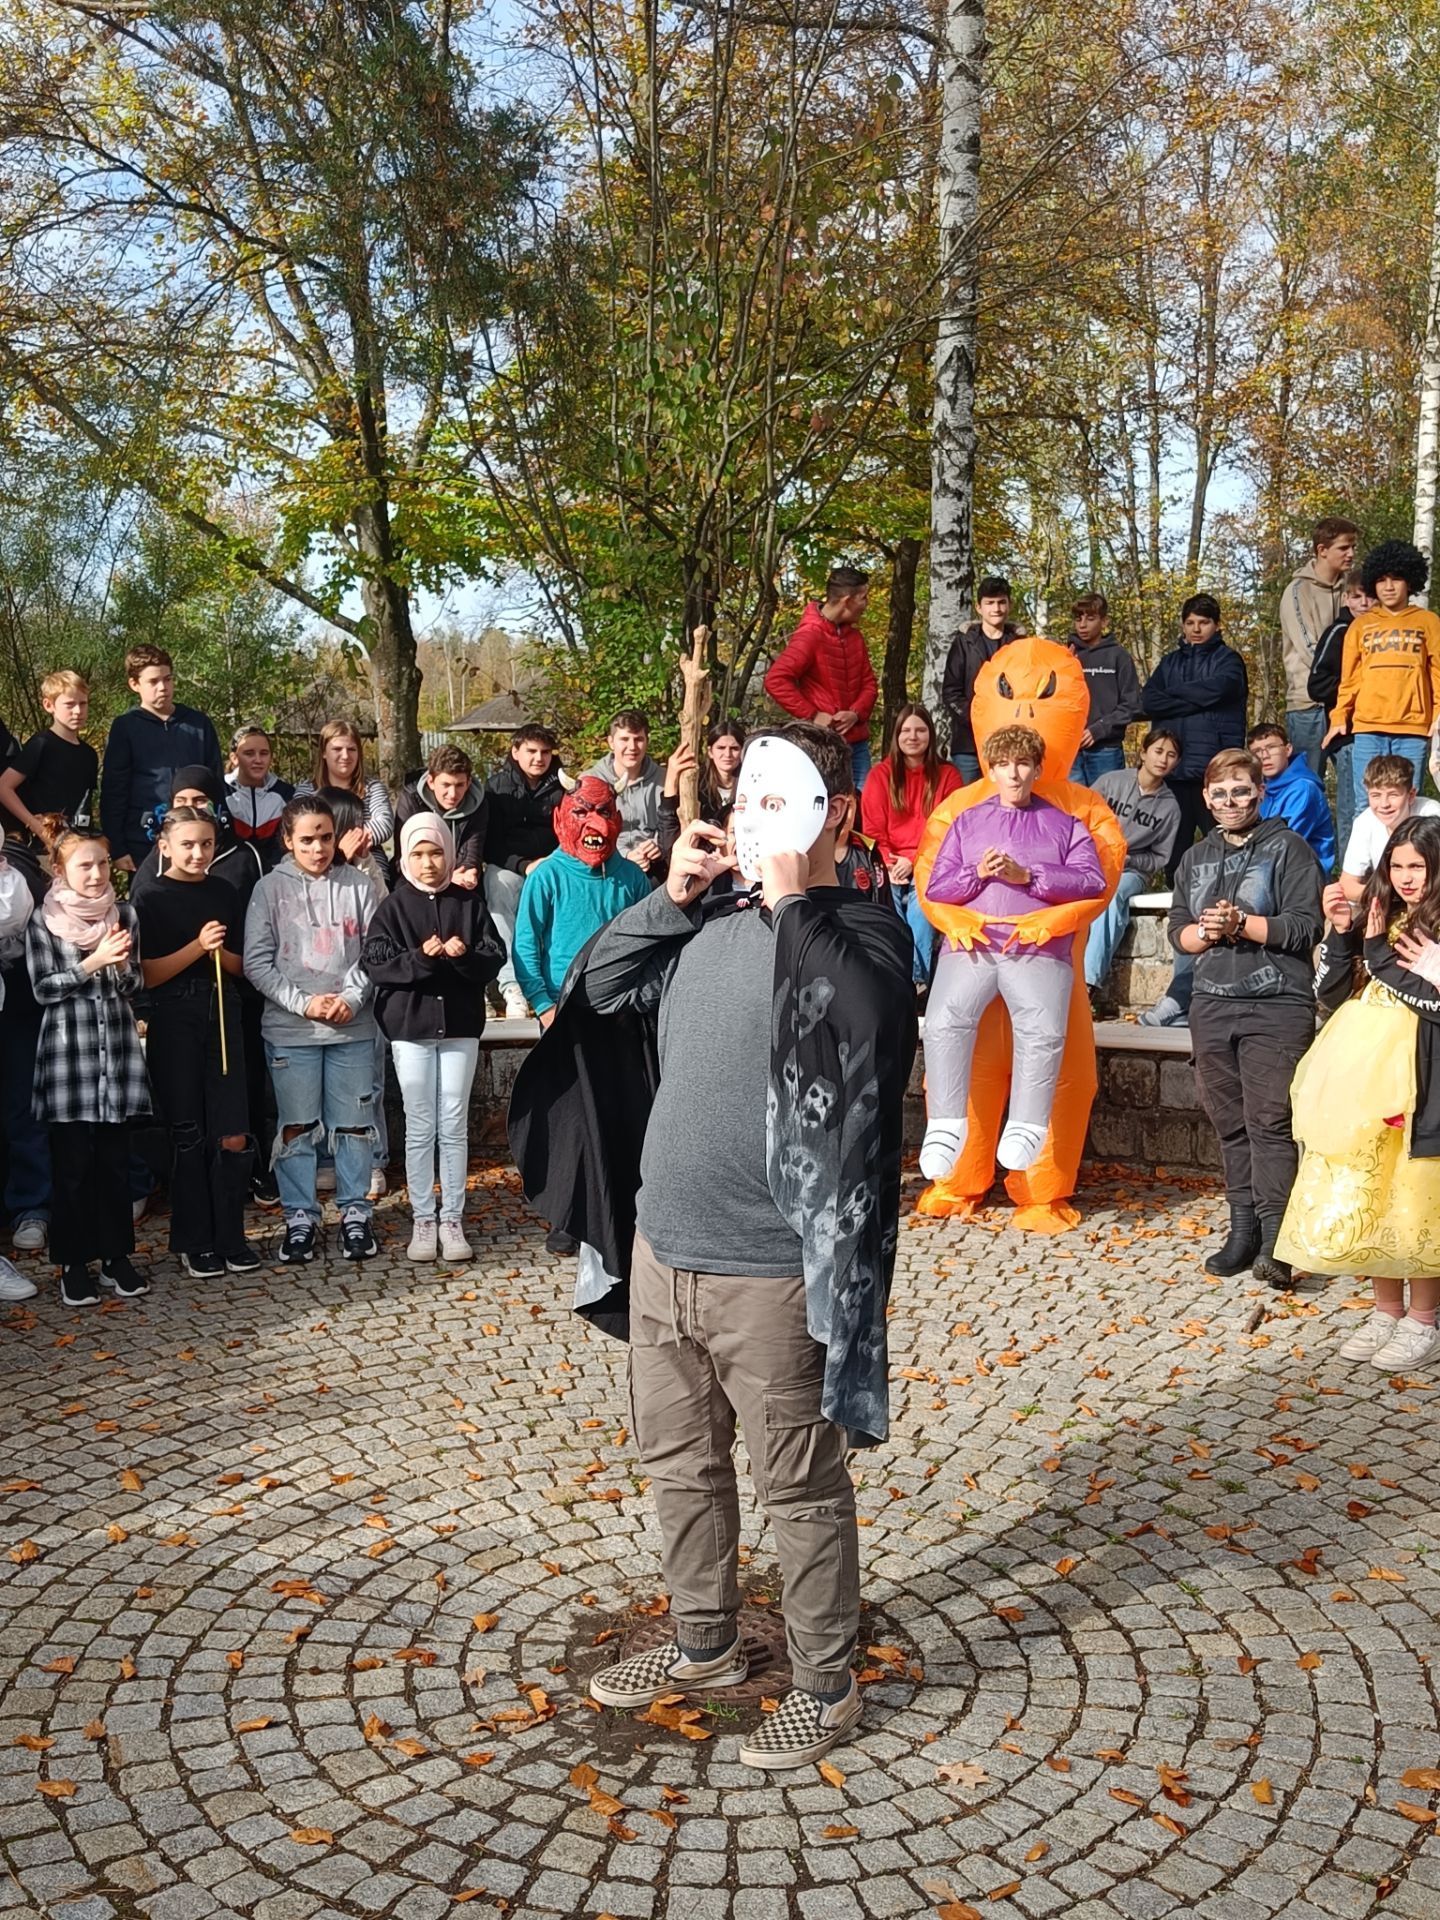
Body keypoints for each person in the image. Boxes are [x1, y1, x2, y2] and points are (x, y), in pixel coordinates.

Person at [517, 720, 915, 1771]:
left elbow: (870, 1022)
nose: (750, 825)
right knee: (682, 1467)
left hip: (773, 1274)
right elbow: (597, 989)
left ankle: (826, 1684)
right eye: (743, 808)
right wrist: (673, 894)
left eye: (774, 805)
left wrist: (793, 899)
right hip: (665, 1251)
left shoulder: (862, 929)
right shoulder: (701, 925)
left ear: (830, 817)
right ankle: (705, 1645)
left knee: (800, 1489)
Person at [1278, 823, 1440, 1370]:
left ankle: (1423, 1319)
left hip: (1419, 1072)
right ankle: (1386, 1310)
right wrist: (1344, 935)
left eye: (1418, 866)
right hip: (1361, 1071)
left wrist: (1380, 956)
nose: (1406, 878)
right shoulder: (1380, 915)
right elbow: (1329, 993)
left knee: (1414, 1195)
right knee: (1369, 1187)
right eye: (1397, 866)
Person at [919, 723, 1106, 1181]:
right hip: (974, 944)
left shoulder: (1066, 824)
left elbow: (1092, 881)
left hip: (1037, 946)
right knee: (943, 1022)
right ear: (991, 771)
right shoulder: (966, 821)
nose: (1014, 774)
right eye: (1004, 765)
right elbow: (937, 887)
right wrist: (977, 874)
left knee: (1042, 1031)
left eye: (1022, 764)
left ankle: (1027, 1123)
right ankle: (945, 1124)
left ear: (1037, 769)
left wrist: (1030, 876)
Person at [1168, 748, 1323, 1287]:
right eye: (1220, 792)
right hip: (1211, 1002)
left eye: (1240, 790)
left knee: (1269, 1123)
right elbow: (1179, 932)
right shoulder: (1195, 858)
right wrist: (1207, 931)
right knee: (1229, 1124)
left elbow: (1305, 927)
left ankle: (1279, 1239)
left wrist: (1242, 924)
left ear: (1259, 792)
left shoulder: (1290, 849)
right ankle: (1243, 1230)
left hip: (1276, 1003)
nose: (1230, 801)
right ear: (1207, 797)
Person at [243, 796, 380, 1264]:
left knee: (354, 1125)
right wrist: (303, 1002)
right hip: (291, 1031)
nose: (318, 848)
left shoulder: (359, 885)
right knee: (296, 1127)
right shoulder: (268, 889)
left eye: (325, 837)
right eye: (306, 840)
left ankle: (355, 1211)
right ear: (288, 840)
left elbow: (376, 952)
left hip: (351, 1028)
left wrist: (351, 999)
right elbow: (257, 962)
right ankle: (300, 1216)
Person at [361, 815, 504, 1264]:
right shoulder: (393, 907)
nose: (428, 863)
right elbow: (377, 965)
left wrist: (464, 957)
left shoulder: (469, 902)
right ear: (405, 857)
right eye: (419, 854)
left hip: (459, 1026)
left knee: (454, 1123)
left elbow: (493, 956)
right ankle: (424, 1217)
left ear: (449, 853)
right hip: (411, 1028)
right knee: (420, 1124)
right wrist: (421, 959)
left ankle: (452, 1218)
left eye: (436, 852)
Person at [26, 828, 151, 1306]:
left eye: (101, 864)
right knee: (73, 1167)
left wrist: (119, 967)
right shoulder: (44, 920)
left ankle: (116, 1257)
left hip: (115, 1054)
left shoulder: (126, 915)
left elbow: (135, 984)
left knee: (114, 1165)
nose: (96, 874)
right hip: (69, 1058)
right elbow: (43, 988)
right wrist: (92, 961)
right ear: (61, 871)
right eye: (84, 865)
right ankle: (73, 1264)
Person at [133, 806, 259, 1280]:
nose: (198, 853)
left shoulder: (223, 891)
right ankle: (194, 1240)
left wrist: (218, 953)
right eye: (187, 844)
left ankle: (230, 1235)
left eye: (206, 844)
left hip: (222, 1010)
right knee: (187, 1132)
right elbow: (147, 974)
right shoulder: (149, 895)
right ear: (165, 846)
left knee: (231, 1131)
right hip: (173, 1016)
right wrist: (197, 947)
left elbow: (240, 965)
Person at [512, 776, 651, 1026]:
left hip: (621, 1007)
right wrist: (543, 1004)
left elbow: (650, 940)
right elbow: (526, 941)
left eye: (605, 813)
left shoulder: (633, 877)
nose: (598, 825)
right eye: (580, 812)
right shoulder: (546, 876)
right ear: (559, 819)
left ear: (618, 820)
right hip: (561, 1006)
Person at [1323, 538, 1440, 820]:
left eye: (1396, 579)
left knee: (1406, 804)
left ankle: (1405, 851)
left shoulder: (1428, 622)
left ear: (1410, 581)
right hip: (1368, 728)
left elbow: (1437, 673)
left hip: (1412, 728)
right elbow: (1349, 679)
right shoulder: (1360, 626)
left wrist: (1438, 716)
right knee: (1366, 804)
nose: (1388, 587)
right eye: (1381, 580)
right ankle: (1366, 853)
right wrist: (1339, 717)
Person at [1140, 593, 1249, 881]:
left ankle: (1229, 896)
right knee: (1175, 852)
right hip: (1173, 773)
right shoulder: (1169, 663)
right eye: (1190, 623)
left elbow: (1219, 689)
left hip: (1214, 773)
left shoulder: (1229, 661)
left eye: (1204, 622)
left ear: (1216, 624)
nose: (1196, 629)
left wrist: (1172, 696)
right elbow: (1148, 701)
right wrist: (1198, 700)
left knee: (1225, 845)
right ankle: (1176, 901)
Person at [860, 703, 960, 987]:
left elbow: (949, 829)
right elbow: (873, 830)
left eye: (920, 730)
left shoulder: (948, 776)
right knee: (888, 899)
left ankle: (914, 979)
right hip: (889, 860)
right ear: (897, 735)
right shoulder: (880, 775)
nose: (913, 736)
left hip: (932, 858)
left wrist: (915, 860)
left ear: (930, 735)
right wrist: (889, 863)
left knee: (921, 900)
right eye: (906, 730)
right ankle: (893, 973)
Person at [99, 646, 223, 871]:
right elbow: (114, 790)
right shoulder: (125, 727)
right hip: (143, 843)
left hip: (196, 841)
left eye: (167, 679)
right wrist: (117, 847)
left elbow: (215, 785)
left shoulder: (198, 724)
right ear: (134, 684)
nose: (163, 687)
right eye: (153, 681)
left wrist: (218, 835)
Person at [1083, 729, 1181, 1004]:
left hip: (1131, 872)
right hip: (1092, 861)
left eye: (1171, 755)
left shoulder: (1170, 808)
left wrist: (1131, 860)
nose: (1163, 759)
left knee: (1113, 895)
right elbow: (1081, 817)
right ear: (1143, 752)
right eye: (1158, 751)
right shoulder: (1111, 782)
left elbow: (1160, 857)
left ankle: (1088, 984)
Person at [764, 567, 878, 785]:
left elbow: (869, 683)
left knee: (862, 802)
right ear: (847, 600)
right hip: (823, 744)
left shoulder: (855, 637)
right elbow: (776, 680)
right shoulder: (810, 635)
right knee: (825, 802)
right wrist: (813, 715)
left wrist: (855, 713)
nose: (866, 604)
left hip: (857, 744)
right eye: (863, 598)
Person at [484, 724, 565, 1019]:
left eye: (545, 752)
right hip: (509, 867)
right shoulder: (495, 788)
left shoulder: (563, 788)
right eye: (531, 751)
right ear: (515, 751)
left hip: (553, 866)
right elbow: (489, 843)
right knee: (498, 886)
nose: (538, 758)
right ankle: (512, 984)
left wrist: (551, 863)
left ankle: (557, 982)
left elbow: (568, 835)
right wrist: (524, 865)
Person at [1280, 516, 1360, 772]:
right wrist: (1353, 677)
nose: (1351, 554)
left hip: (1345, 703)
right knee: (1309, 780)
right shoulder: (1297, 591)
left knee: (1355, 780)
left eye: (1353, 547)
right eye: (1344, 547)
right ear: (1322, 550)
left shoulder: (1352, 590)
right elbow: (1310, 651)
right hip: (1308, 705)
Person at [0, 828, 40, 1298]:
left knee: (20, 1107)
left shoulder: (11, 868)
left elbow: (11, 911)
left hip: (12, 998)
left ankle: (32, 1209)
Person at [1309, 570, 1372, 862]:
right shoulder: (1339, 632)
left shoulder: (1381, 631)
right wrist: (1361, 688)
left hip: (1379, 730)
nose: (1364, 603)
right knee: (1354, 807)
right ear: (1346, 599)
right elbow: (1317, 685)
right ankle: (1349, 871)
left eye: (1370, 597)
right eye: (1357, 597)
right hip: (1347, 736)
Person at [0, 670, 98, 853]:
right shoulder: (41, 744)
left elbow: (84, 803)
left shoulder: (89, 754)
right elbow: (4, 787)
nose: (78, 711)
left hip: (78, 845)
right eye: (69, 704)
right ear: (48, 705)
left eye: (83, 703)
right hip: (45, 849)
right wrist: (35, 826)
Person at [941, 575, 1020, 781]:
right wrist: (978, 719)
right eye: (990, 603)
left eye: (1001, 602)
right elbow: (951, 692)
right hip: (968, 744)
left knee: (1006, 796)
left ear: (1009, 605)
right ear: (979, 607)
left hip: (1009, 742)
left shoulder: (1020, 645)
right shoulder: (963, 643)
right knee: (968, 798)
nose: (996, 608)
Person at [1336, 753, 1440, 902]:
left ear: (1411, 795)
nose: (1384, 804)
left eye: (1393, 795)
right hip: (1389, 900)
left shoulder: (1431, 814)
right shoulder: (1365, 822)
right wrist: (1391, 895)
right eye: (1376, 795)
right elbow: (1347, 885)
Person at [1067, 593, 1143, 785]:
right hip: (1070, 748)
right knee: (1071, 802)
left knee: (1106, 801)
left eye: (1090, 618)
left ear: (1104, 621)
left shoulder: (1119, 656)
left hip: (1106, 749)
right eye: (1078, 619)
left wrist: (1099, 730)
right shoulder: (1066, 655)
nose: (1083, 625)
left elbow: (1131, 704)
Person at [295, 721, 394, 854]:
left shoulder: (372, 788)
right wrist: (336, 849)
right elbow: (299, 826)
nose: (345, 756)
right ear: (324, 752)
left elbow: (384, 824)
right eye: (337, 749)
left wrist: (351, 844)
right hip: (317, 854)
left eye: (351, 749)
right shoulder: (307, 790)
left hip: (366, 854)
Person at [587, 710, 666, 874]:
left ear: (647, 741)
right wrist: (624, 855)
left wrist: (658, 843)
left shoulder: (665, 779)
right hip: (605, 864)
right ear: (611, 742)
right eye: (624, 739)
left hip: (655, 865)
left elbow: (674, 824)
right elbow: (586, 832)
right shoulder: (591, 781)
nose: (632, 747)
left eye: (638, 739)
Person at [1249, 723, 1336, 870]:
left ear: (1288, 749)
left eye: (1271, 747)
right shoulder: (1260, 788)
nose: (1265, 756)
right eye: (1257, 751)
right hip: (1269, 866)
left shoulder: (1304, 789)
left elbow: (1284, 842)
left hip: (1304, 872)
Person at [657, 716, 747, 860]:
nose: (727, 754)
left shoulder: (749, 787)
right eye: (721, 748)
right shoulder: (694, 786)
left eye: (734, 748)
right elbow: (668, 837)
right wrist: (671, 780)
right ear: (710, 751)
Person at [395, 743, 487, 879]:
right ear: (431, 782)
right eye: (446, 785)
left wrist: (468, 872)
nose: (453, 794)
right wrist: (445, 878)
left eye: (460, 785)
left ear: (468, 783)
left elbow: (472, 851)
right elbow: (404, 856)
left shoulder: (478, 802)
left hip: (459, 875)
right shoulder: (411, 799)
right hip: (419, 876)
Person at [225, 725, 295, 872]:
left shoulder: (286, 793)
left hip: (276, 875)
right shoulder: (221, 791)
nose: (258, 760)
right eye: (249, 753)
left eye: (264, 753)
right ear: (234, 758)